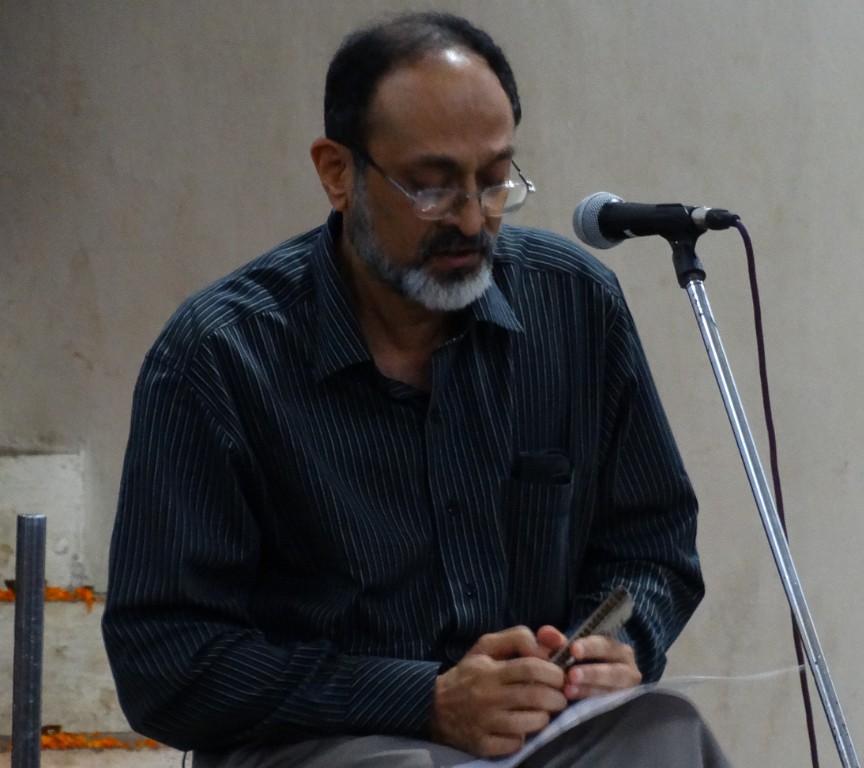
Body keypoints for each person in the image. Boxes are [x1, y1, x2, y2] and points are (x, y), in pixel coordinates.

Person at [103, 11, 730, 768]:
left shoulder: (574, 305)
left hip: (540, 732)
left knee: (665, 730)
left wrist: (609, 648)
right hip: (330, 745)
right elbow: (165, 661)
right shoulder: (221, 356)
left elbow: (653, 547)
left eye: (495, 182)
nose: (470, 218)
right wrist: (420, 699)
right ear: (338, 172)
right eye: (431, 187)